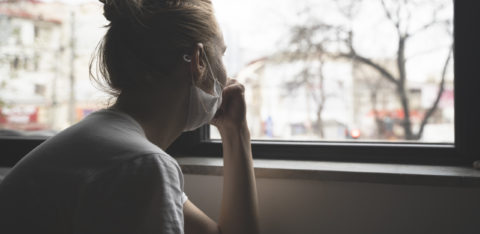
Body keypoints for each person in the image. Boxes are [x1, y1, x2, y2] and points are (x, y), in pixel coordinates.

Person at [0, 0, 260, 233]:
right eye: (222, 54)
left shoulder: (109, 142)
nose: (228, 74)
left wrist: (235, 132)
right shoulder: (141, 163)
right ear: (198, 60)